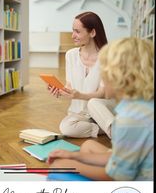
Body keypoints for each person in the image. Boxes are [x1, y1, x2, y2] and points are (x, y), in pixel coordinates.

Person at [47, 37, 154, 181]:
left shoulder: (130, 119)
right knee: (88, 146)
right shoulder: (142, 107)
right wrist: (74, 155)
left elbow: (116, 177)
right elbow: (120, 156)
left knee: (58, 168)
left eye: (104, 71)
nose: (101, 76)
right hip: (135, 165)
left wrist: (70, 165)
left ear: (120, 77)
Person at [49, 11, 116, 139]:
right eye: (72, 31)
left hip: (100, 109)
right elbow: (70, 84)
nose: (73, 35)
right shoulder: (71, 55)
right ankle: (107, 127)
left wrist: (80, 95)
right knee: (66, 127)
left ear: (92, 33)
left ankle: (115, 132)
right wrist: (61, 89)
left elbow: (102, 93)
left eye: (77, 31)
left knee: (93, 103)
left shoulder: (108, 57)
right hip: (80, 113)